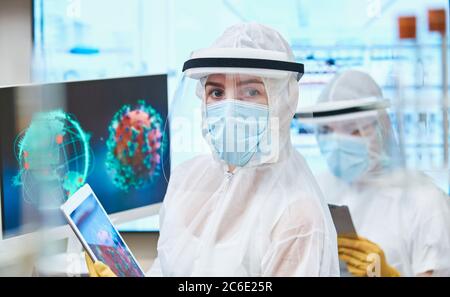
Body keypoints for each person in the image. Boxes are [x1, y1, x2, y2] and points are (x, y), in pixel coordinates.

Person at [86, 22, 339, 277]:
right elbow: (166, 268)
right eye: (217, 92)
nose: (229, 108)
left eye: (251, 91)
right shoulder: (188, 180)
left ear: (282, 101)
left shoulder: (297, 216)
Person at [304, 69, 450, 276]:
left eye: (353, 129)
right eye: (327, 131)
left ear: (382, 127)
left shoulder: (425, 201)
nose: (337, 143)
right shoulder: (316, 190)